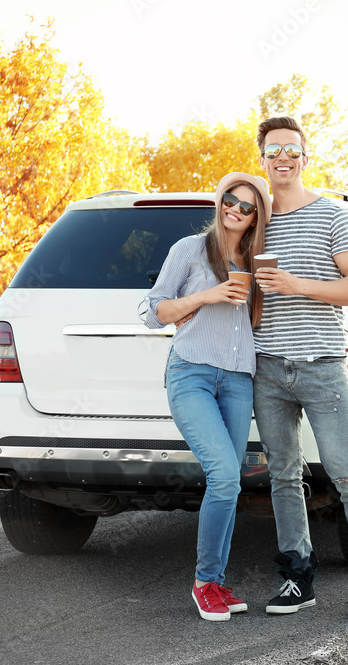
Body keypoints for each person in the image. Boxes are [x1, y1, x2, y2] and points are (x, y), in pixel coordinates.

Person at [252, 116, 348, 619]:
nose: (283, 158)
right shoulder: (255, 218)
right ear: (262, 159)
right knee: (284, 476)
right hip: (267, 367)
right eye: (273, 151)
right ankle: (297, 577)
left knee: (346, 472)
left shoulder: (333, 217)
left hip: (322, 367)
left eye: (291, 149)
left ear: (305, 157)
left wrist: (298, 285)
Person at [144, 172, 272, 621]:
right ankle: (204, 583)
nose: (235, 209)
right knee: (223, 474)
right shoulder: (190, 249)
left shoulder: (259, 260)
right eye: (230, 200)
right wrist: (208, 295)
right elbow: (152, 311)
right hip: (191, 374)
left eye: (247, 206)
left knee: (231, 482)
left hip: (238, 381)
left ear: (258, 216)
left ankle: (216, 581)